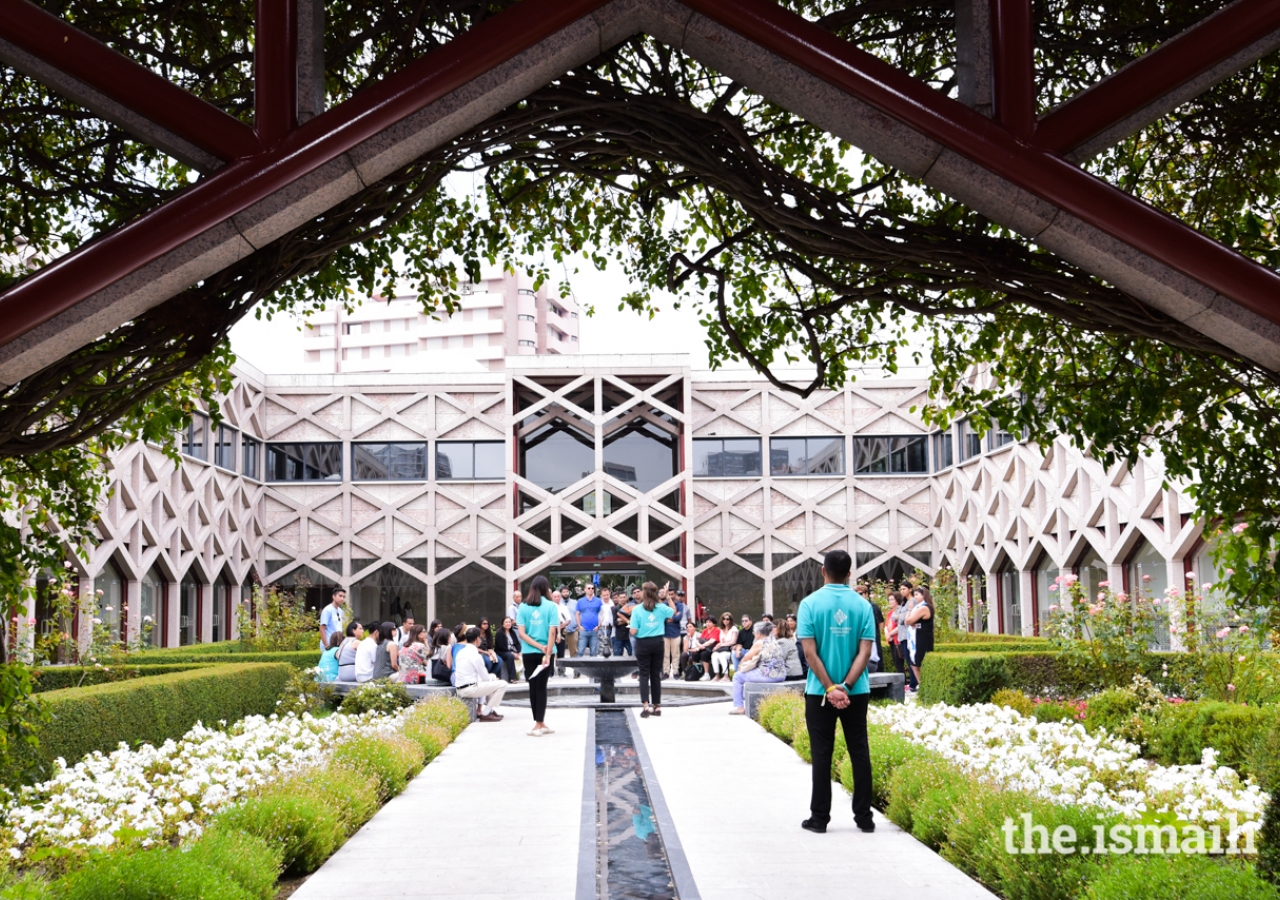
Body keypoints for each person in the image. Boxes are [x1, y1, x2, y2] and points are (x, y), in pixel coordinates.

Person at [797, 549, 875, 835]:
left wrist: (830, 688)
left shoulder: (809, 604)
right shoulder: (863, 606)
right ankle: (864, 817)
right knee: (859, 751)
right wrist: (846, 687)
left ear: (823, 571)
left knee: (822, 754)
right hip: (856, 692)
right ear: (850, 573)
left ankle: (819, 819)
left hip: (819, 693)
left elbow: (809, 653)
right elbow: (865, 652)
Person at [517, 574, 559, 736]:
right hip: (546, 653)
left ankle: (539, 723)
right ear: (545, 588)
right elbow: (552, 631)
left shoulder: (523, 607)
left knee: (533, 687)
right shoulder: (551, 606)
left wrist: (537, 646)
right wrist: (546, 651)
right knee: (541, 687)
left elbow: (522, 633)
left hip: (529, 653)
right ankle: (538, 723)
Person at [628, 582, 673, 718]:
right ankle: (657, 706)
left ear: (643, 593)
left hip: (643, 643)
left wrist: (638, 629)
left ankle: (646, 706)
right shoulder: (660, 607)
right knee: (655, 675)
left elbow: (633, 631)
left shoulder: (637, 609)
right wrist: (668, 597)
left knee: (643, 674)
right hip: (658, 642)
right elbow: (673, 612)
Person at [730, 620, 788, 713]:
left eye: (754, 631)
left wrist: (740, 668)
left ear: (758, 632)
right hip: (781, 675)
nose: (753, 633)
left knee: (737, 677)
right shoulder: (774, 641)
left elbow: (746, 658)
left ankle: (739, 707)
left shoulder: (759, 643)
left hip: (768, 675)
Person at [454, 625, 508, 722]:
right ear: (476, 639)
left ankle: (490, 710)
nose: (481, 640)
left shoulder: (461, 652)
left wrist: (492, 679)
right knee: (502, 684)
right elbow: (485, 678)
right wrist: (492, 680)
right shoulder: (475, 655)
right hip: (469, 689)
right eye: (480, 637)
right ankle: (486, 713)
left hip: (461, 687)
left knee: (492, 677)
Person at [907, 586, 935, 687]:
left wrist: (909, 610)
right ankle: (922, 683)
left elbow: (908, 620)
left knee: (919, 661)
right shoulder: (918, 607)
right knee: (914, 662)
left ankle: (924, 684)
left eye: (917, 595)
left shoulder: (924, 607)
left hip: (922, 637)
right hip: (917, 635)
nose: (915, 597)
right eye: (914, 595)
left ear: (924, 595)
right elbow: (909, 621)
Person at [663, 585, 685, 679]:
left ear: (675, 594)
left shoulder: (680, 605)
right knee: (665, 654)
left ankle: (675, 672)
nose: (671, 596)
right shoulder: (664, 605)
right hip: (665, 633)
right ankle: (666, 672)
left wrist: (671, 617)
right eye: (669, 594)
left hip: (676, 632)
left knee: (675, 654)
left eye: (672, 594)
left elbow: (678, 618)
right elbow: (662, 618)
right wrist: (674, 614)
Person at [577, 584, 603, 657]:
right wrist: (579, 626)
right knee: (580, 651)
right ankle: (577, 668)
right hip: (583, 630)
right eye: (589, 588)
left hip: (594, 630)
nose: (591, 589)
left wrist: (599, 626)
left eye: (592, 588)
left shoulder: (598, 601)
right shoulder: (580, 601)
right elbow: (577, 614)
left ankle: (593, 668)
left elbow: (602, 614)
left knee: (594, 652)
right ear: (585, 589)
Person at [711, 613, 738, 681]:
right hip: (723, 649)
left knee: (722, 656)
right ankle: (717, 675)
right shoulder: (722, 629)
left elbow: (733, 642)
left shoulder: (733, 628)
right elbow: (722, 642)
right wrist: (717, 646)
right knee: (714, 655)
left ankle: (726, 676)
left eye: (727, 619)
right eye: (724, 619)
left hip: (730, 650)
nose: (725, 620)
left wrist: (722, 645)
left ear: (730, 620)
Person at [495, 616, 522, 682]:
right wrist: (512, 653)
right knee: (510, 656)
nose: (508, 623)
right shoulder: (499, 633)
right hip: (502, 651)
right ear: (503, 624)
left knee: (524, 655)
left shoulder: (512, 632)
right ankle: (512, 678)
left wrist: (518, 652)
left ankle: (525, 676)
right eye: (506, 622)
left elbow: (517, 644)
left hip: (512, 650)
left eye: (509, 622)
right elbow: (501, 646)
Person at [885, 592, 905, 675]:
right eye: (889, 599)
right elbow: (886, 625)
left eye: (892, 599)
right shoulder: (890, 612)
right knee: (896, 663)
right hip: (892, 640)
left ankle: (903, 684)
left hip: (898, 640)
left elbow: (901, 625)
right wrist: (887, 634)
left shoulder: (900, 611)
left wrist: (890, 634)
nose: (890, 601)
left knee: (899, 663)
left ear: (897, 600)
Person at [612, 590, 636, 657]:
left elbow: (634, 621)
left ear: (627, 598)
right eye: (621, 597)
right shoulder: (615, 609)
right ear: (618, 598)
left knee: (633, 655)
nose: (622, 599)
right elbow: (615, 623)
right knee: (617, 656)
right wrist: (627, 620)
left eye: (624, 597)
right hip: (619, 636)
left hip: (630, 635)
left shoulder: (631, 607)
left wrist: (621, 619)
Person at [786, 613, 808, 678]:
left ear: (795, 622)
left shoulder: (799, 633)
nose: (789, 623)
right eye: (788, 621)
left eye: (791, 621)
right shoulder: (785, 633)